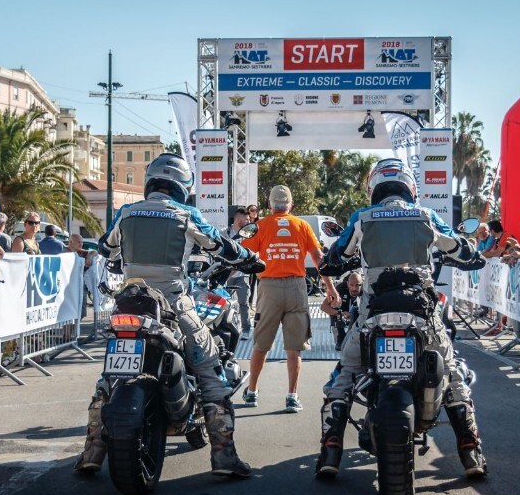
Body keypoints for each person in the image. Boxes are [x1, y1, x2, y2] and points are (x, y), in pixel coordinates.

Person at [76, 153, 262, 478]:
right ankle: (224, 455)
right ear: (182, 186)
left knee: (108, 378)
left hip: (129, 303)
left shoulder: (127, 212)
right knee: (210, 370)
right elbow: (220, 245)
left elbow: (107, 248)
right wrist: (249, 257)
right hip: (174, 304)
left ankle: (92, 451)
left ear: (150, 179)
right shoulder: (185, 213)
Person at [317, 158, 486, 479]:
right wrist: (472, 254)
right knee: (452, 372)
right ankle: (469, 449)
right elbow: (461, 250)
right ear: (410, 187)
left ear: (374, 188)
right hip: (422, 311)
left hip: (372, 311)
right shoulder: (426, 215)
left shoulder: (362, 217)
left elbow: (337, 256)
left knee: (345, 373)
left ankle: (331, 448)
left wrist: (332, 264)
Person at [242, 185, 337, 413]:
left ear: (270, 205)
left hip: (269, 287)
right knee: (294, 347)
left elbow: (242, 253)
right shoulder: (302, 225)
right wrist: (331, 287)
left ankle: (252, 391)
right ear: (290, 206)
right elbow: (318, 260)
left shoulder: (260, 225)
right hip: (296, 287)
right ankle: (292, 396)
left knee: (261, 344)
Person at [225, 208, 254, 338]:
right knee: (224, 302)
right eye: (246, 219)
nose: (249, 221)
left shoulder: (248, 234)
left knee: (244, 302)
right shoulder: (225, 233)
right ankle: (226, 328)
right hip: (227, 274)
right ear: (238, 219)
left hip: (242, 274)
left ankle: (246, 329)